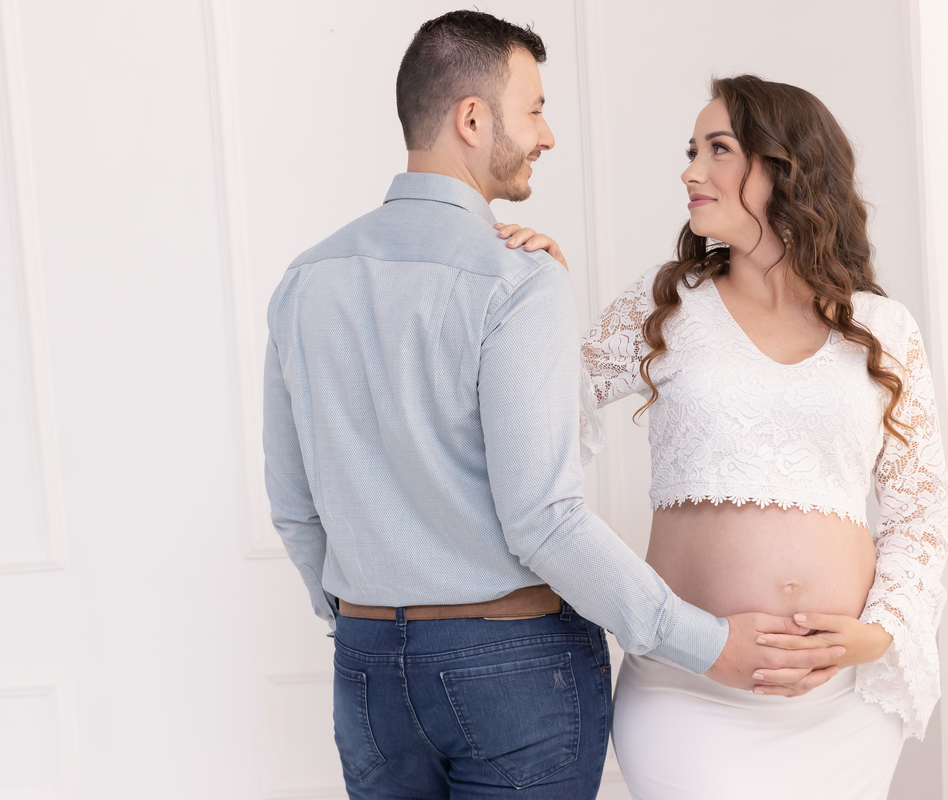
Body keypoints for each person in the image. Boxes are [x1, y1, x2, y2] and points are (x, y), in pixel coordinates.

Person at [262, 14, 840, 800]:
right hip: (511, 667)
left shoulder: (306, 280)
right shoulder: (515, 281)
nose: (548, 135)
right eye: (534, 108)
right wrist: (706, 644)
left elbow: (295, 511)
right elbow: (543, 518)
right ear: (472, 119)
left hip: (367, 671)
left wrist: (366, 621)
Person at [499, 75, 948, 799]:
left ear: (787, 166)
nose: (690, 171)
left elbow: (919, 511)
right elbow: (537, 416)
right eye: (691, 151)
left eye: (718, 149)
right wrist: (538, 295)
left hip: (844, 706)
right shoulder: (667, 307)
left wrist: (881, 632)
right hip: (689, 691)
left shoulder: (883, 328)